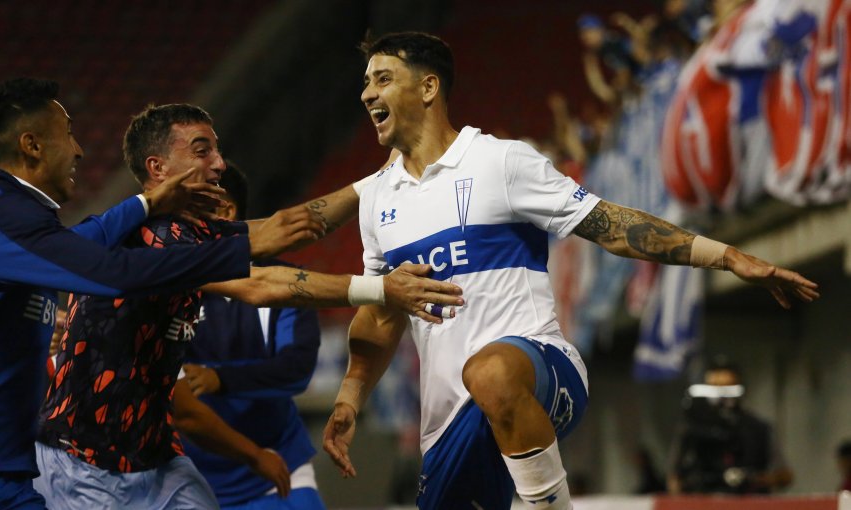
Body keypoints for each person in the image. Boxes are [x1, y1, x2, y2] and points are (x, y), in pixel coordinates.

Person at [322, 32, 818, 510]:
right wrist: (349, 398)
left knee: (490, 371)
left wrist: (725, 255)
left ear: (428, 87)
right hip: (448, 418)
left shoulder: (501, 162)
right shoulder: (378, 199)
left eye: (382, 79)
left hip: (541, 369)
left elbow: (612, 226)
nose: (367, 93)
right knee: (480, 386)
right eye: (366, 82)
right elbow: (380, 314)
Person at [33, 103, 463, 509]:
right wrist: (381, 290)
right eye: (202, 151)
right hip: (87, 463)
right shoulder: (153, 241)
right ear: (157, 168)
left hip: (156, 459)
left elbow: (287, 228)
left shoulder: (192, 232)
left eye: (217, 151)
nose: (220, 164)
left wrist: (384, 176)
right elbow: (262, 283)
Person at [0, 78, 318, 509]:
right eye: (67, 133)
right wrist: (241, 247)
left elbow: (86, 243)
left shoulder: (1, 213)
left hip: (1, 470)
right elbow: (111, 272)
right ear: (32, 144)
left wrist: (146, 203)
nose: (78, 149)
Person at [173, 163, 327, 509]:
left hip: (278, 468)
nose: (172, 227)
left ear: (225, 209)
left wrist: (219, 379)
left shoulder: (283, 282)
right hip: (187, 479)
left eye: (183, 210)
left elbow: (297, 369)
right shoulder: (168, 286)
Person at [667, 359, 793, 494]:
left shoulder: (758, 428)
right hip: (704, 499)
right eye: (715, 388)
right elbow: (673, 476)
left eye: (728, 387)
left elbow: (784, 475)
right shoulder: (692, 429)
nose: (722, 395)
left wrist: (756, 479)